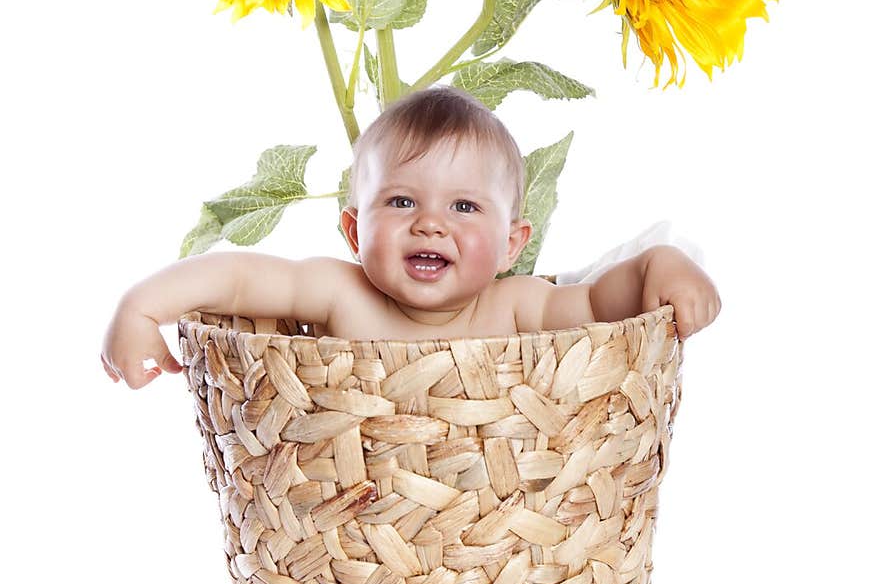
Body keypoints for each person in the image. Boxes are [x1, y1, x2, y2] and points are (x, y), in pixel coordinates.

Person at [101, 87, 721, 389]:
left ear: (511, 244)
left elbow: (595, 304)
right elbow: (236, 276)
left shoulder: (515, 305)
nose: (431, 224)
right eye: (401, 201)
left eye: (465, 206)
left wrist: (657, 267)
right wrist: (143, 307)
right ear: (352, 229)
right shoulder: (340, 294)